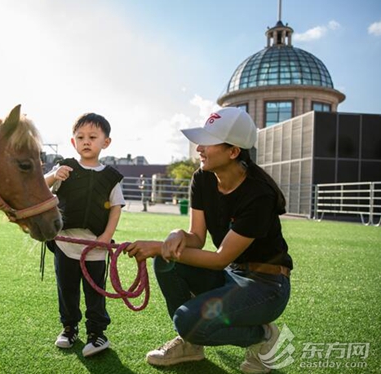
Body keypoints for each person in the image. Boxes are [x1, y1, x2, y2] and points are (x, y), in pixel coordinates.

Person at [125, 107, 292, 373]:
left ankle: (262, 336)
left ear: (234, 151)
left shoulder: (259, 194)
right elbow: (197, 238)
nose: (199, 148)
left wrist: (158, 247)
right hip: (231, 275)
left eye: (208, 142)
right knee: (166, 264)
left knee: (187, 319)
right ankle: (190, 344)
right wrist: (177, 234)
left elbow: (219, 259)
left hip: (266, 285)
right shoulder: (202, 178)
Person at [45, 113, 126, 357]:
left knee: (95, 293)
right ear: (73, 142)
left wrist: (107, 236)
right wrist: (52, 176)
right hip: (65, 244)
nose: (86, 141)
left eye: (93, 137)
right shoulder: (64, 168)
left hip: (96, 247)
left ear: (106, 142)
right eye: (80, 137)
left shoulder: (111, 177)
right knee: (67, 289)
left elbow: (115, 208)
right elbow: (40, 188)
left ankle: (97, 333)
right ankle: (69, 328)